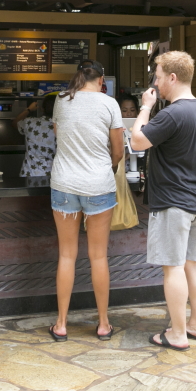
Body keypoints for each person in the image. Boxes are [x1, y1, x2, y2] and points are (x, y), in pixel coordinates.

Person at [130, 51, 196, 351]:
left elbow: (136, 141)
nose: (156, 81)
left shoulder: (172, 113)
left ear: (173, 78)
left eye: (158, 75)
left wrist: (144, 108)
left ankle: (177, 334)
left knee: (173, 267)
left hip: (173, 201)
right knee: (194, 264)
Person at [48, 60, 124, 341]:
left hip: (64, 184)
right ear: (101, 79)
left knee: (67, 255)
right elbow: (117, 150)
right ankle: (103, 324)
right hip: (98, 185)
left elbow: (59, 133)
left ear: (78, 76)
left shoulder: (61, 100)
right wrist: (107, 169)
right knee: (98, 256)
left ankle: (61, 324)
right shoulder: (109, 104)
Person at [14, 92, 57, 177]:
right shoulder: (64, 128)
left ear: (42, 109)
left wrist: (29, 109)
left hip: (29, 174)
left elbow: (15, 123)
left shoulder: (30, 123)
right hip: (53, 177)